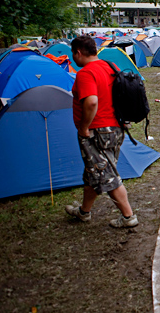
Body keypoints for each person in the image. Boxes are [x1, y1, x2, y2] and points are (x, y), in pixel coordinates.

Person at [65, 35, 138, 228]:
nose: (73, 58)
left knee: (107, 174)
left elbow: (91, 101)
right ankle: (84, 212)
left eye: (73, 54)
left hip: (97, 131)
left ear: (78, 53)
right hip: (116, 128)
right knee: (94, 172)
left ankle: (129, 217)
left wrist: (83, 126)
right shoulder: (110, 66)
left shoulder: (86, 73)